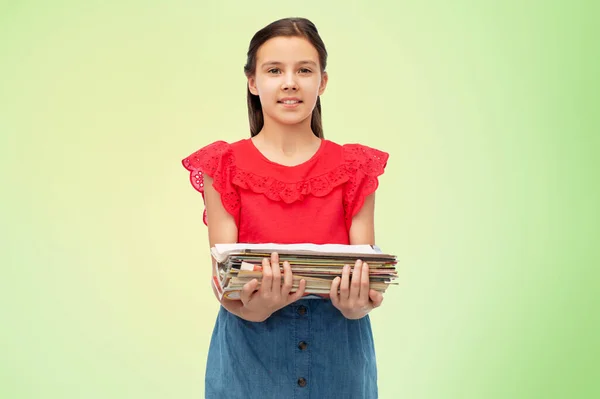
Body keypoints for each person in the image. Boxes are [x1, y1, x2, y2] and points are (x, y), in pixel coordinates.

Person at [182, 17, 389, 399]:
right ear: (252, 81)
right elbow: (224, 284)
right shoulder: (223, 165)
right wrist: (256, 310)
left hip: (339, 350)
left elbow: (365, 282)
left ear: (322, 82)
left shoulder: (355, 167)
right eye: (274, 70)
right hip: (250, 351)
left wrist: (357, 305)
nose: (290, 82)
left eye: (304, 70)